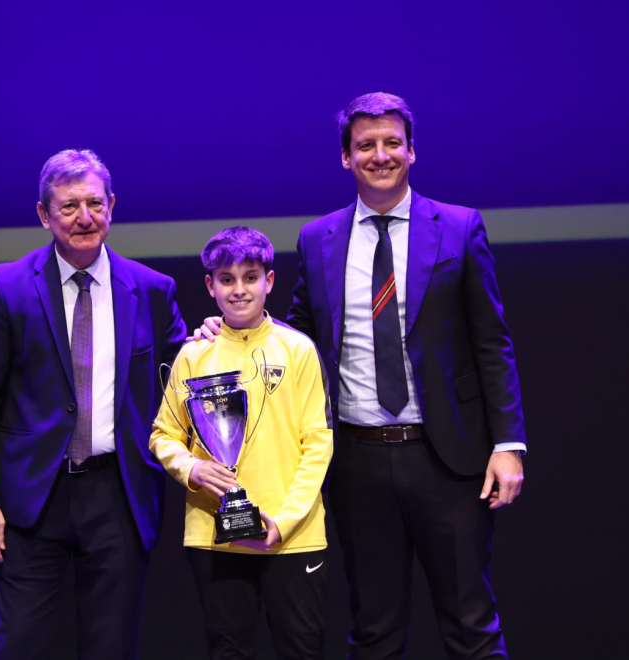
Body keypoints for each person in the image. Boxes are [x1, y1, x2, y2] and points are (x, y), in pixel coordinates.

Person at [200, 93, 526, 659]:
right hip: (356, 460)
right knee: (374, 630)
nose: (381, 155)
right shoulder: (317, 238)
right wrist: (229, 328)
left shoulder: (458, 227)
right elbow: (295, 334)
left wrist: (509, 444)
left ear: (412, 151)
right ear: (346, 159)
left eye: (392, 143)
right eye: (366, 145)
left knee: (472, 626)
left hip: (448, 458)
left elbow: (492, 343)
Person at [0, 149, 187, 659]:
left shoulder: (151, 290)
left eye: (94, 203)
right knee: (18, 645)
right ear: (44, 214)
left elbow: (187, 380)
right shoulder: (8, 287)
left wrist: (217, 337)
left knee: (111, 648)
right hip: (31, 498)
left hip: (119, 493)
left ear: (111, 205)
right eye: (68, 207)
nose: (85, 217)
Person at [151, 227, 333, 660]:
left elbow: (318, 443)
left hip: (293, 536)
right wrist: (190, 468)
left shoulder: (298, 350)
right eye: (227, 279)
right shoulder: (194, 354)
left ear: (269, 281)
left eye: (250, 277)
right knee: (229, 650)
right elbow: (163, 434)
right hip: (216, 536)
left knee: (302, 649)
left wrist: (284, 521)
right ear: (210, 286)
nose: (239, 290)